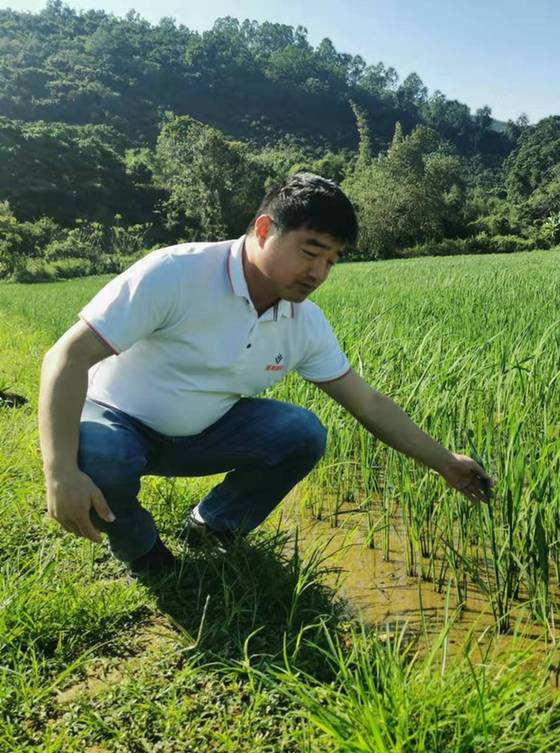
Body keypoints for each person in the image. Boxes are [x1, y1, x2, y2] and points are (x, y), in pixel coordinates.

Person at [38, 173, 493, 580]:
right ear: (262, 230)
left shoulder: (303, 323)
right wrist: (59, 472)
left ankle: (211, 525)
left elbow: (367, 403)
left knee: (302, 433)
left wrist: (445, 463)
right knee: (101, 461)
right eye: (310, 252)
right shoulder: (175, 273)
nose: (318, 273)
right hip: (118, 420)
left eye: (332, 261)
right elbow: (67, 356)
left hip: (201, 432)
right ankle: (143, 551)